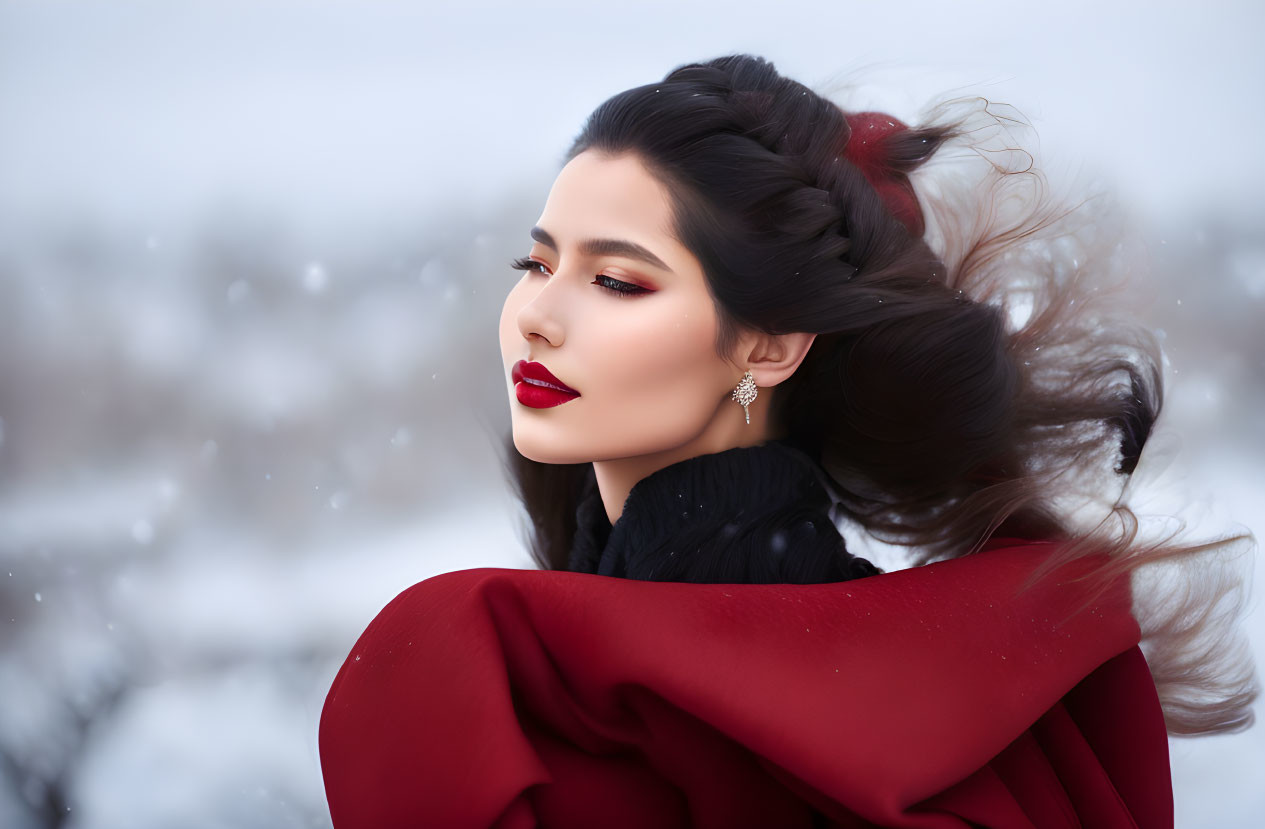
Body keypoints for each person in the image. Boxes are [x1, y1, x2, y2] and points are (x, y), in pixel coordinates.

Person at [319, 54, 1258, 827]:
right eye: (538, 262)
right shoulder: (941, 697)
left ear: (768, 344)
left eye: (617, 281)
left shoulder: (471, 674)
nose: (535, 317)